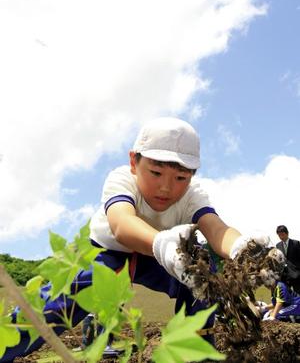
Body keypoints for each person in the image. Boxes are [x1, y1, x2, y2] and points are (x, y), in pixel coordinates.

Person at [0, 117, 262, 362]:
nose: (166, 188)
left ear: (192, 176)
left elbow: (215, 229)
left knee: (204, 279)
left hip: (161, 261)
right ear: (134, 163)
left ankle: (198, 353)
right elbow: (122, 225)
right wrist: (162, 245)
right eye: (156, 173)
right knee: (55, 309)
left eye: (181, 178)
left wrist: (242, 248)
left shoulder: (193, 196)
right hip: (106, 254)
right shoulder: (122, 179)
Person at [276, 225, 300, 293]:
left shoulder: (296, 243)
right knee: (286, 296)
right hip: (285, 276)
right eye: (279, 235)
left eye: (282, 234)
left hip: (297, 275)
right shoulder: (278, 246)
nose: (281, 237)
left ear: (287, 233)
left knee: (298, 296)